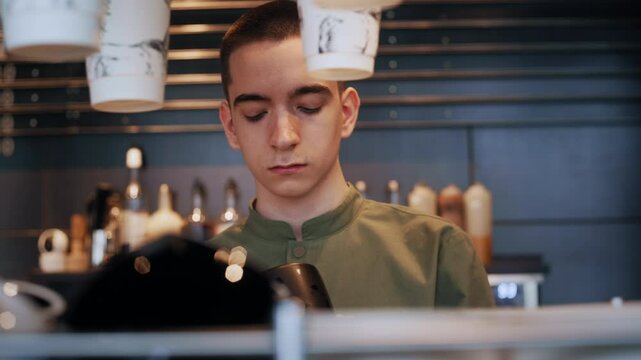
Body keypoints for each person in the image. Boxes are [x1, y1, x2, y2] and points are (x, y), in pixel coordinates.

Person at [213, 0, 494, 308]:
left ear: (346, 113)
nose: (283, 137)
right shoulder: (201, 274)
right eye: (255, 114)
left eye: (308, 107)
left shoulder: (436, 251)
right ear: (230, 126)